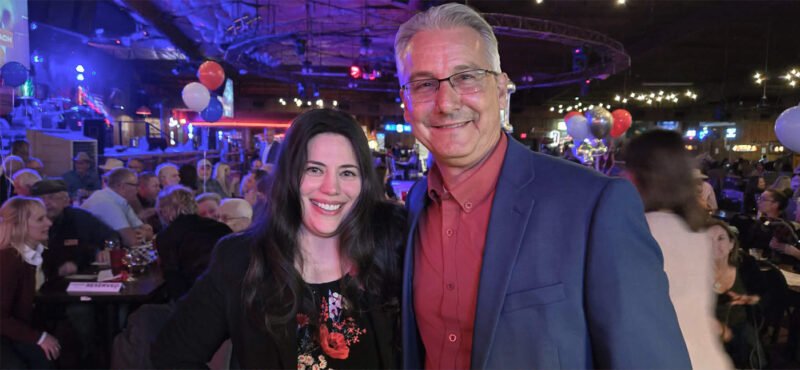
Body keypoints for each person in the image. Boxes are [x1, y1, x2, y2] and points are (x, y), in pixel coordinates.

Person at [394, 4, 689, 369]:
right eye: (424, 84)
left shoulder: (594, 206)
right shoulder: (418, 204)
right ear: (406, 105)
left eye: (466, 77)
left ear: (501, 92)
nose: (445, 102)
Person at [153, 109, 406, 369]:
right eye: (315, 169)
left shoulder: (391, 251)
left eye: (347, 173)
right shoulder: (240, 260)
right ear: (290, 177)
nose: (331, 188)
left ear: (364, 183)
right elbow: (172, 355)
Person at [623, 130, 732, 369]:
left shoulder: (641, 230)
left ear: (641, 175)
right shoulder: (696, 233)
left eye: (627, 168)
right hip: (706, 358)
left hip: (666, 358)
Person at [0, 197, 58, 368]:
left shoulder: (37, 255)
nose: (49, 223)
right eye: (40, 219)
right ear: (20, 225)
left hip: (13, 331)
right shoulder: (8, 260)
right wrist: (38, 337)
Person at [154, 185, 231, 301]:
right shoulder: (220, 227)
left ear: (164, 211)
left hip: (198, 300)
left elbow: (173, 279)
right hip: (231, 295)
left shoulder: (166, 236)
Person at [707, 220, 767, 368]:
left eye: (721, 238)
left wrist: (752, 299)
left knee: (756, 361)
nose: (715, 244)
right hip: (705, 330)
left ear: (731, 244)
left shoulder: (746, 266)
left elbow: (765, 297)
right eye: (708, 239)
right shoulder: (692, 272)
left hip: (739, 328)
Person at [31, 180, 117, 281]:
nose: (46, 203)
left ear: (66, 200)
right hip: (43, 281)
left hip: (82, 279)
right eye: (40, 199)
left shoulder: (80, 219)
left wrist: (108, 249)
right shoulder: (29, 224)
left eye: (52, 197)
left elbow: (112, 237)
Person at [81, 168, 153, 247]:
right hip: (95, 253)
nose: (138, 189)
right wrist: (143, 234)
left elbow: (147, 230)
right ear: (121, 186)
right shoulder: (106, 202)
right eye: (135, 185)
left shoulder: (122, 201)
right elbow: (131, 241)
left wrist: (145, 233)